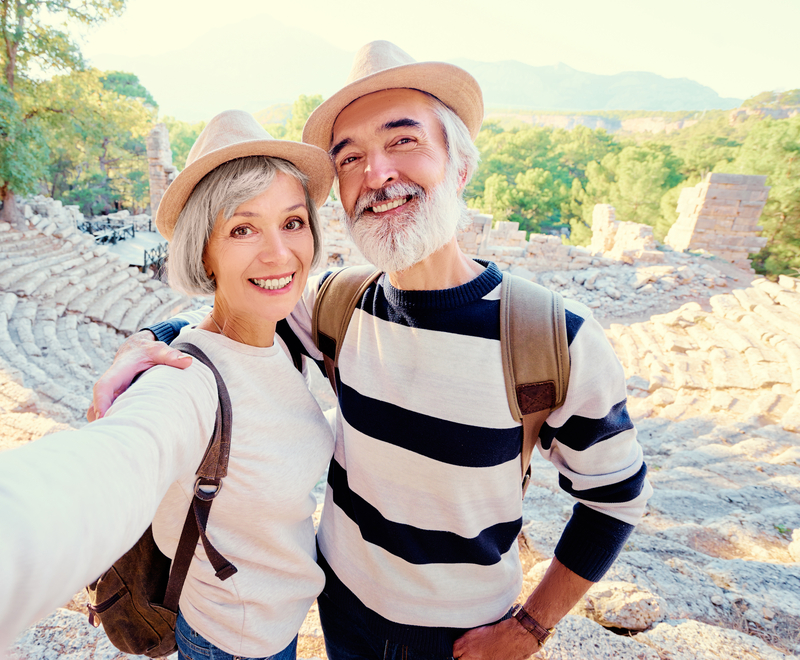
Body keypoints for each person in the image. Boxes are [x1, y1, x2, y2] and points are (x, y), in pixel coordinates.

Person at [0, 3, 338, 654]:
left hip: (281, 626)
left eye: (292, 221)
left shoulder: (295, 326)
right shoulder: (185, 385)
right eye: (243, 228)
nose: (280, 252)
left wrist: (156, 330)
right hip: (229, 642)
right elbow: (104, 471)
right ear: (205, 252)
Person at [88, 42, 653, 660]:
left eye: (403, 141)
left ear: (460, 166)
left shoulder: (553, 337)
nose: (376, 174)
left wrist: (531, 627)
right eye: (350, 157)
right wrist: (150, 344)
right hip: (343, 608)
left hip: (463, 636)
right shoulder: (337, 304)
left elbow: (614, 497)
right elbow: (234, 313)